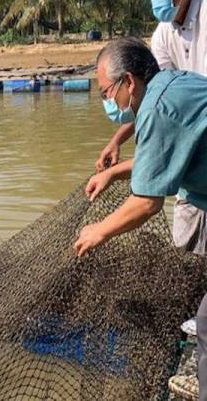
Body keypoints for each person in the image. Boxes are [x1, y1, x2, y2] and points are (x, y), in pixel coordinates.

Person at [74, 37, 207, 400]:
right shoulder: (169, 85)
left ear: (129, 82)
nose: (107, 102)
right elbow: (164, 158)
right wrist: (114, 174)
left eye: (106, 92)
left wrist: (98, 231)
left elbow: (147, 203)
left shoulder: (157, 108)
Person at [96, 0, 207, 253]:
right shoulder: (163, 35)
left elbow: (146, 202)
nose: (154, 1)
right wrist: (117, 144)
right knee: (187, 254)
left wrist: (98, 232)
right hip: (193, 163)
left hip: (196, 138)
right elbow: (150, 96)